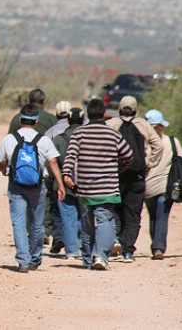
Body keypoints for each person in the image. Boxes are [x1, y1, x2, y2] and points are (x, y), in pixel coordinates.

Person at [62, 99, 133, 270]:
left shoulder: (79, 133)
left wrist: (66, 174)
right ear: (104, 115)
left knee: (87, 225)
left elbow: (70, 156)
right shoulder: (113, 134)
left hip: (85, 187)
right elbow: (129, 156)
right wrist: (118, 170)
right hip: (107, 187)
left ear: (87, 115)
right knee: (105, 220)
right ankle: (100, 256)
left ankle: (87, 260)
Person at [0, 104, 66, 273]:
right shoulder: (44, 140)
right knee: (36, 223)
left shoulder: (9, 139)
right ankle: (35, 258)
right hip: (37, 185)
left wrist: (5, 170)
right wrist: (61, 185)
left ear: (20, 120)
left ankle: (23, 260)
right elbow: (53, 163)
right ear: (36, 121)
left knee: (19, 223)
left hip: (16, 185)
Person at [106, 96, 162, 263]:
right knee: (133, 213)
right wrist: (149, 163)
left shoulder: (111, 124)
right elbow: (158, 146)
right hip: (137, 175)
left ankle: (115, 239)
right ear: (136, 110)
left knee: (114, 209)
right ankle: (128, 250)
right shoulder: (144, 125)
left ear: (119, 110)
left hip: (115, 175)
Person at [144, 109, 182, 260]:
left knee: (153, 216)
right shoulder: (172, 142)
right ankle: (158, 247)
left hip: (147, 187)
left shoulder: (145, 144)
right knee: (162, 215)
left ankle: (156, 244)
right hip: (166, 187)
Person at [52, 107, 85, 259]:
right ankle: (85, 247)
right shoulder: (89, 138)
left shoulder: (58, 139)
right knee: (85, 216)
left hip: (63, 185)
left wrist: (51, 184)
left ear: (68, 120)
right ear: (83, 120)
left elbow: (50, 164)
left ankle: (71, 251)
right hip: (87, 184)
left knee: (68, 217)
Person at [44, 100, 72, 254]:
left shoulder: (52, 132)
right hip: (78, 177)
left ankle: (59, 238)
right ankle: (75, 241)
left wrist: (48, 182)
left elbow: (49, 160)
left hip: (58, 177)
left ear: (56, 114)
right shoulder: (82, 129)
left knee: (56, 209)